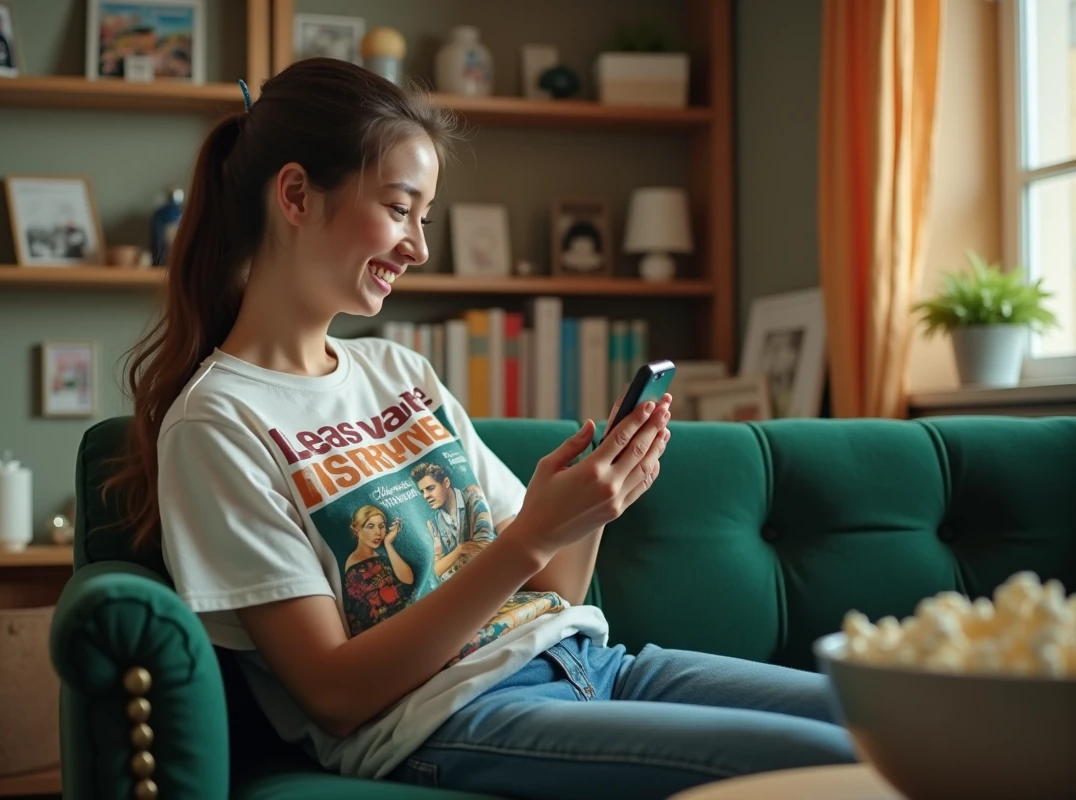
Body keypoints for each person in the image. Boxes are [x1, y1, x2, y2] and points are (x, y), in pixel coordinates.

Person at [104, 57, 856, 800]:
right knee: (818, 760)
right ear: (296, 195)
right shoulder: (217, 423)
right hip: (457, 719)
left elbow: (556, 587)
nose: (419, 247)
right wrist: (531, 535)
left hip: (591, 661)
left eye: (422, 217)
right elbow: (331, 692)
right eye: (400, 209)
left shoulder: (399, 372)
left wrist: (590, 505)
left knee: (871, 721)